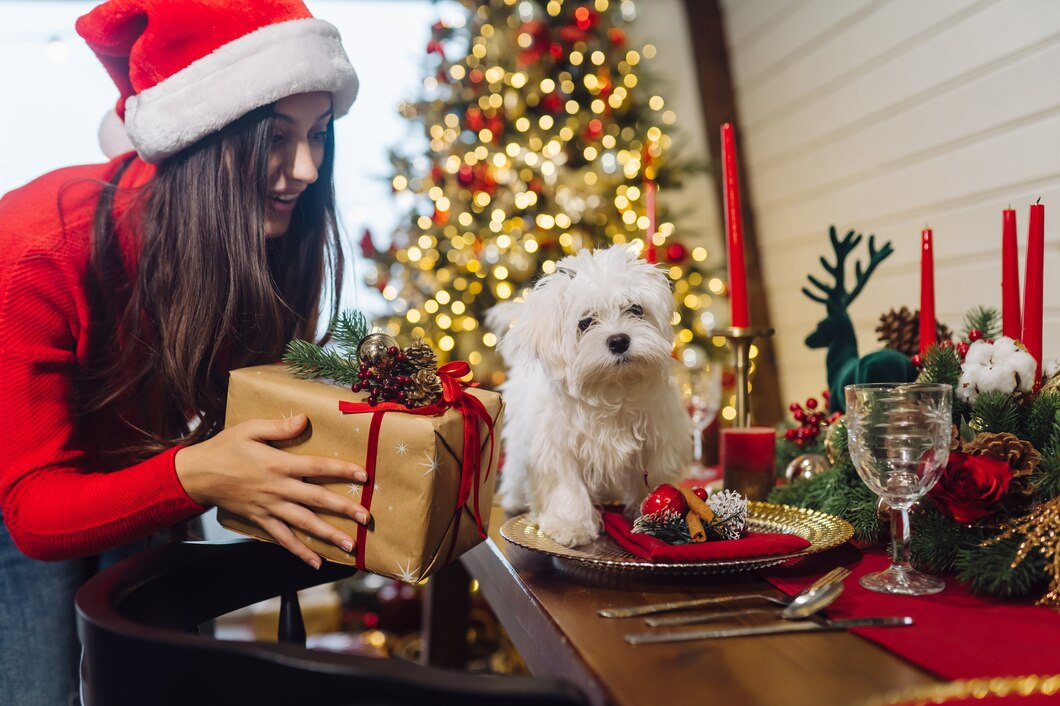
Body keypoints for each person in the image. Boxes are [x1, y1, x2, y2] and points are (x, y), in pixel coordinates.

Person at [0, 1, 370, 703]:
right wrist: (196, 473)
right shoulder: (37, 255)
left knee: (162, 677)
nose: (305, 168)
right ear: (203, 136)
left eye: (319, 134)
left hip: (141, 453)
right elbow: (33, 511)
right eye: (276, 138)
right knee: (36, 688)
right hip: (18, 485)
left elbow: (250, 399)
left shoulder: (273, 236)